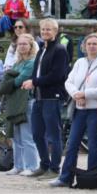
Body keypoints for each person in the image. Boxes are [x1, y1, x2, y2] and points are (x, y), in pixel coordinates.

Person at [50, 33, 97, 187]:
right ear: (84, 46)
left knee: (93, 145)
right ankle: (65, 177)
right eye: (89, 44)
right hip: (79, 109)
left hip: (95, 110)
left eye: (95, 44)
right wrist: (77, 95)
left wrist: (86, 94)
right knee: (72, 143)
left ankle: (92, 177)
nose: (91, 46)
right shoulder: (79, 63)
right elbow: (69, 82)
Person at [21, 18, 68, 179]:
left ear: (55, 31)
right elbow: (36, 72)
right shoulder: (42, 49)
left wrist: (34, 82)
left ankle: (54, 168)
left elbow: (57, 75)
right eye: (43, 30)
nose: (45, 32)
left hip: (52, 97)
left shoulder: (60, 50)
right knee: (36, 133)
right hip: (39, 97)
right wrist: (33, 83)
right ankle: (44, 164)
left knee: (53, 135)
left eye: (49, 29)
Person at [0, 33, 40, 176]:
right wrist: (10, 81)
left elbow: (19, 80)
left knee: (27, 136)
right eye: (20, 44)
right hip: (14, 103)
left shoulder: (32, 62)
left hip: (26, 102)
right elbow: (12, 79)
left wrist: (8, 82)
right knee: (16, 137)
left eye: (25, 44)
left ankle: (32, 166)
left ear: (31, 46)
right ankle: (18, 165)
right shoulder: (17, 63)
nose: (21, 47)